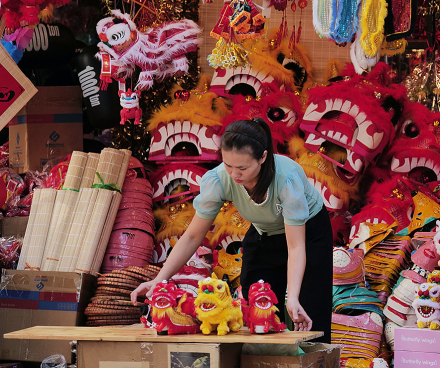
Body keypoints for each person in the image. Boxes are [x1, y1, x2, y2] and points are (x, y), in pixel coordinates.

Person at [132, 118, 331, 340]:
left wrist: (292, 298)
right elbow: (192, 236)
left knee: (309, 314)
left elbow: (295, 247)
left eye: (242, 168)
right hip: (263, 233)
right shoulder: (219, 179)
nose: (234, 174)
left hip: (308, 234)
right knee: (256, 312)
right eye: (228, 165)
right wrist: (160, 279)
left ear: (263, 157)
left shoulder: (286, 180)